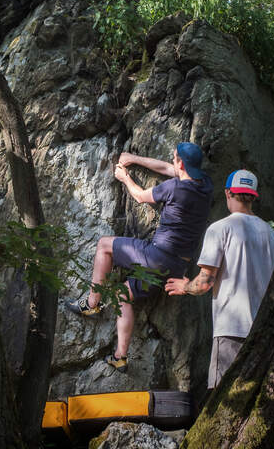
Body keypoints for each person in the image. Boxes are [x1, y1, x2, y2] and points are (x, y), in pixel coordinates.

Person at [65, 143, 213, 372]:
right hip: (176, 268)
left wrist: (125, 177)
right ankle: (120, 357)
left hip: (155, 256)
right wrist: (134, 158)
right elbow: (166, 168)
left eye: (175, 158)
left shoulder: (175, 188)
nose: (172, 161)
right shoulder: (205, 185)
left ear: (181, 163)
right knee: (120, 294)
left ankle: (91, 303)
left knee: (104, 245)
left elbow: (141, 197)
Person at [165, 169, 274, 388]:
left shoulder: (220, 229)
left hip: (233, 329)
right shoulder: (270, 233)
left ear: (228, 193)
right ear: (253, 196)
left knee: (223, 395)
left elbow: (204, 283)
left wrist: (184, 285)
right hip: (265, 330)